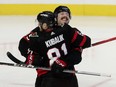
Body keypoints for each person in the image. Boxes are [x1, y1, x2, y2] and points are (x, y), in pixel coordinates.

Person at [18, 11, 91, 87]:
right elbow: (86, 42)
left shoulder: (36, 36)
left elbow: (23, 44)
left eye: (40, 22)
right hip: (69, 76)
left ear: (45, 25)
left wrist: (30, 57)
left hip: (47, 78)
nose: (38, 24)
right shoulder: (66, 30)